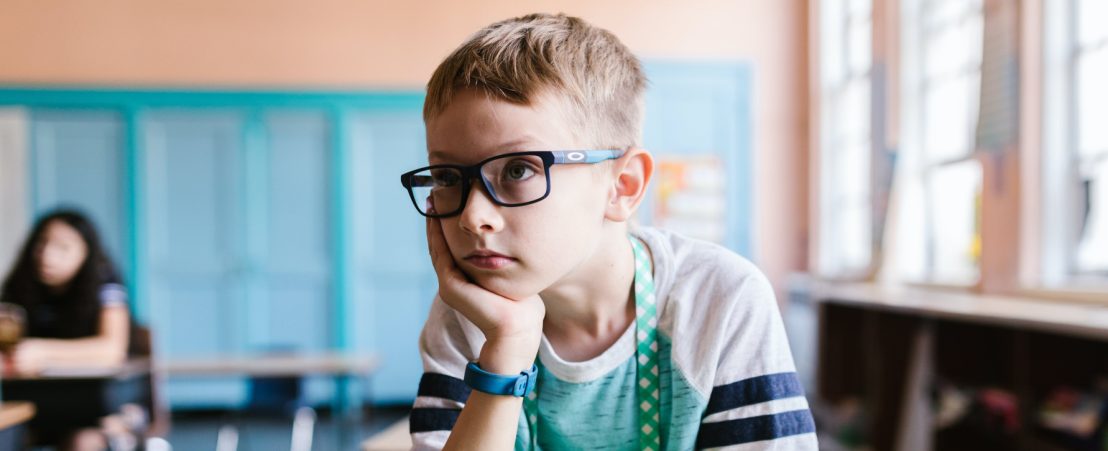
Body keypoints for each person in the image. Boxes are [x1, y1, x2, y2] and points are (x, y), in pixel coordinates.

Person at [402, 13, 818, 450]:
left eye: (518, 168)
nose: (472, 217)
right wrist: (507, 348)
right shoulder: (468, 319)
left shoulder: (718, 300)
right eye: (447, 177)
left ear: (623, 186)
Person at [0, 209, 133, 450]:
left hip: (92, 405)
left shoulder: (104, 282)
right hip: (33, 402)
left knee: (83, 442)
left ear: (87, 252)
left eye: (64, 248)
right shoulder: (20, 284)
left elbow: (112, 349)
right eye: (42, 244)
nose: (47, 256)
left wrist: (41, 351)